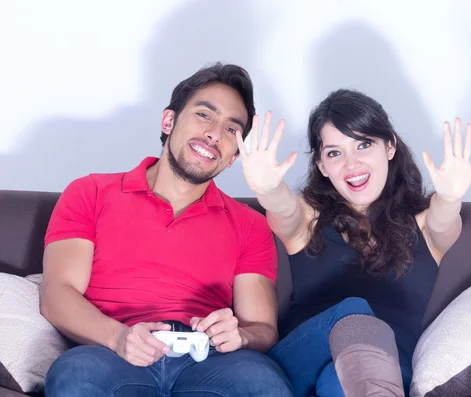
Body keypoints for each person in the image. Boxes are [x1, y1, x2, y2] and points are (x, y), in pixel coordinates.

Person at [40, 62, 292, 397]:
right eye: (204, 115)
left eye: (232, 130)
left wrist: (241, 335)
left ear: (233, 156)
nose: (215, 135)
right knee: (75, 377)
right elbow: (56, 295)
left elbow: (262, 328)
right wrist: (118, 337)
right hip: (111, 352)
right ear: (168, 120)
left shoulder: (250, 224)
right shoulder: (90, 193)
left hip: (209, 361)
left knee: (264, 385)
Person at [235, 88, 471, 396]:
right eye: (334, 153)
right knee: (355, 312)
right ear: (321, 166)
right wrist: (266, 188)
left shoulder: (425, 226)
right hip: (301, 363)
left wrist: (450, 197)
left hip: (387, 370)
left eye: (364, 144)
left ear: (390, 147)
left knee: (343, 380)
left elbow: (444, 216)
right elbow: (282, 206)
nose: (351, 164)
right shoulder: (307, 218)